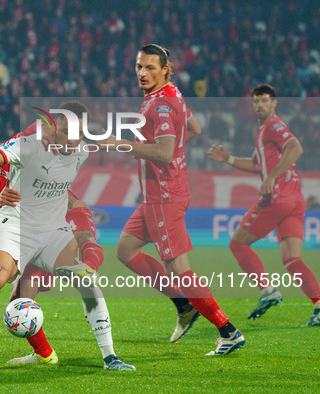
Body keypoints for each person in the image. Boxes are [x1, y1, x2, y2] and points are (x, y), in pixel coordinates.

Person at [0, 102, 135, 371]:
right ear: (54, 129)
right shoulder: (28, 147)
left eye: (77, 131)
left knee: (86, 281)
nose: (71, 137)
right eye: (65, 130)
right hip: (16, 226)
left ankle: (110, 357)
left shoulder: (82, 151)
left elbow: (42, 124)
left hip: (53, 230)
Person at [101, 44, 245, 355]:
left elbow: (165, 151)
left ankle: (227, 330)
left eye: (150, 67)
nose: (142, 72)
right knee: (125, 249)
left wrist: (121, 145)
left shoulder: (161, 105)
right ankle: (183, 304)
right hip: (158, 196)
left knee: (180, 268)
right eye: (139, 66)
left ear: (166, 68)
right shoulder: (170, 95)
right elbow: (193, 128)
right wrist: (172, 149)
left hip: (164, 197)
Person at [208, 83, 320, 326]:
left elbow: (295, 147)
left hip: (278, 198)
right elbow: (257, 165)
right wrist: (228, 160)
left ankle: (268, 291)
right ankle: (319, 306)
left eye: (265, 101)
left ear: (274, 103)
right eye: (256, 101)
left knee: (238, 244)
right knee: (292, 259)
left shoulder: (273, 125)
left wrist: (272, 177)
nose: (260, 105)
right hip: (295, 199)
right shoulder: (263, 131)